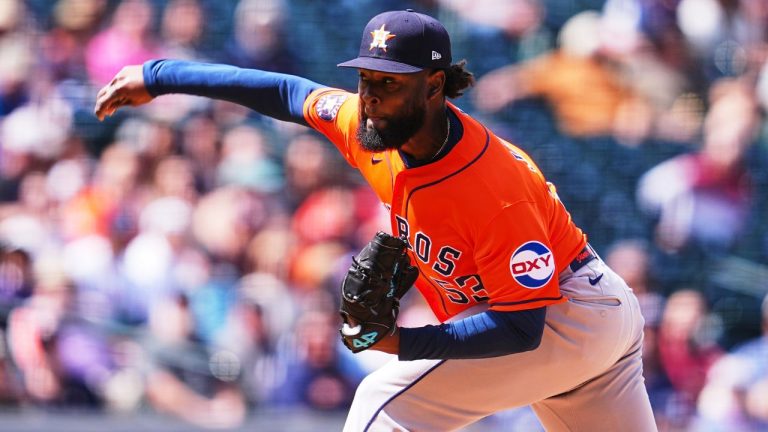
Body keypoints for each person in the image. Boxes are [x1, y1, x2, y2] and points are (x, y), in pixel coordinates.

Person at [94, 9, 656, 431]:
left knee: (381, 406)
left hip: (565, 316)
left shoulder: (493, 186)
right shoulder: (370, 131)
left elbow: (521, 327)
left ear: (434, 86)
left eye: (390, 83)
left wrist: (401, 342)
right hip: (581, 326)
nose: (370, 97)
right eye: (366, 78)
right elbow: (288, 92)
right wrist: (162, 74)